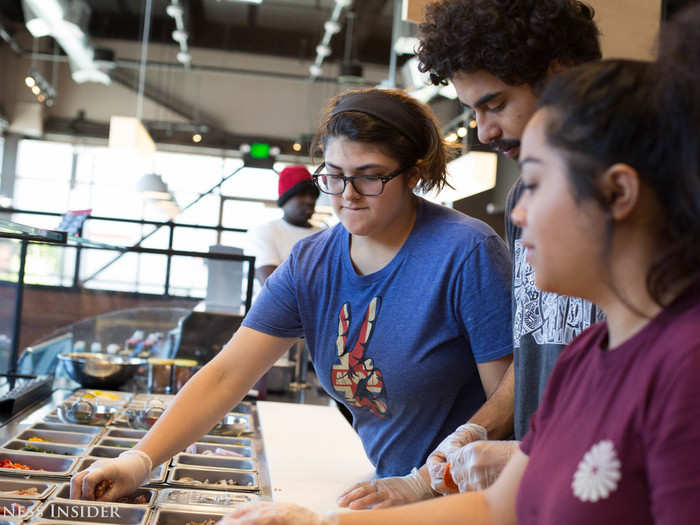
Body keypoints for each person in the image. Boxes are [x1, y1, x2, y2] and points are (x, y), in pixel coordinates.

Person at [223, 5, 700, 522]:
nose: (515, 213)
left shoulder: (681, 367)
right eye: (335, 177)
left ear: (618, 192)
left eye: (537, 183)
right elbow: (500, 506)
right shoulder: (586, 356)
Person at [70, 88, 513, 501]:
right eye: (335, 176)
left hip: (472, 499)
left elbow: (509, 401)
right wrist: (139, 460)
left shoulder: (464, 252)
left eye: (370, 178)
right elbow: (227, 374)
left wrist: (424, 482)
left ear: (413, 174)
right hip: (390, 492)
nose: (348, 195)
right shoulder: (311, 262)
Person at [339, 0, 603, 507]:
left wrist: (534, 454)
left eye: (495, 104)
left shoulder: (637, 207)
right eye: (473, 110)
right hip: (538, 497)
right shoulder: (524, 198)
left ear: (561, 75)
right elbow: (534, 355)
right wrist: (449, 454)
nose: (483, 131)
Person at [246, 165, 323, 285]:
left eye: (313, 195)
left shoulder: (325, 234)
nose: (310, 200)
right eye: (301, 194)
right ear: (285, 200)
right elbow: (272, 287)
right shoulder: (265, 231)